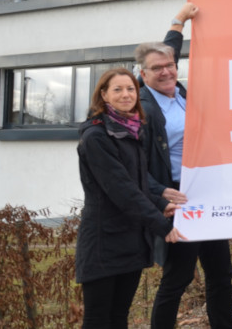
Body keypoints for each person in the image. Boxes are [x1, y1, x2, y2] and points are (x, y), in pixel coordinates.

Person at [135, 3, 232, 329]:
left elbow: (169, 50)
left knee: (221, 271)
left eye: (170, 65)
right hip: (178, 196)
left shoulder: (179, 91)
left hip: (206, 191)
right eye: (156, 68)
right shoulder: (141, 108)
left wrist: (179, 21)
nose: (166, 71)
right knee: (178, 277)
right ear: (143, 74)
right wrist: (159, 195)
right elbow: (133, 166)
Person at [75, 68, 186, 329]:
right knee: (97, 319)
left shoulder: (132, 130)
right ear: (103, 95)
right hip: (104, 240)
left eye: (130, 89)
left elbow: (138, 182)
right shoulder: (96, 137)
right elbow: (122, 190)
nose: (126, 94)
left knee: (119, 316)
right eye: (117, 89)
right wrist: (161, 225)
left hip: (131, 238)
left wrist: (161, 203)